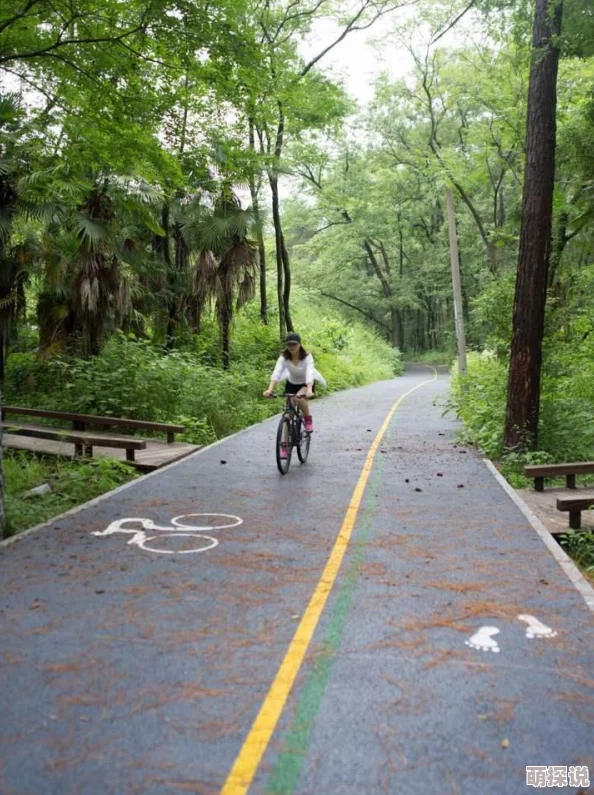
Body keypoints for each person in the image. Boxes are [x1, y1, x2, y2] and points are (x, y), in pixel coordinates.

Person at [263, 333, 326, 456]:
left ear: (299, 344)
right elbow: (276, 373)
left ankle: (307, 420)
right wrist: (269, 389)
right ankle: (285, 445)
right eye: (289, 344)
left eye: (294, 344)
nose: (292, 347)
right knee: (287, 416)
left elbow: (309, 373)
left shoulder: (307, 357)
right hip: (291, 384)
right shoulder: (284, 357)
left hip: (306, 384)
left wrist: (309, 390)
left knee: (300, 398)